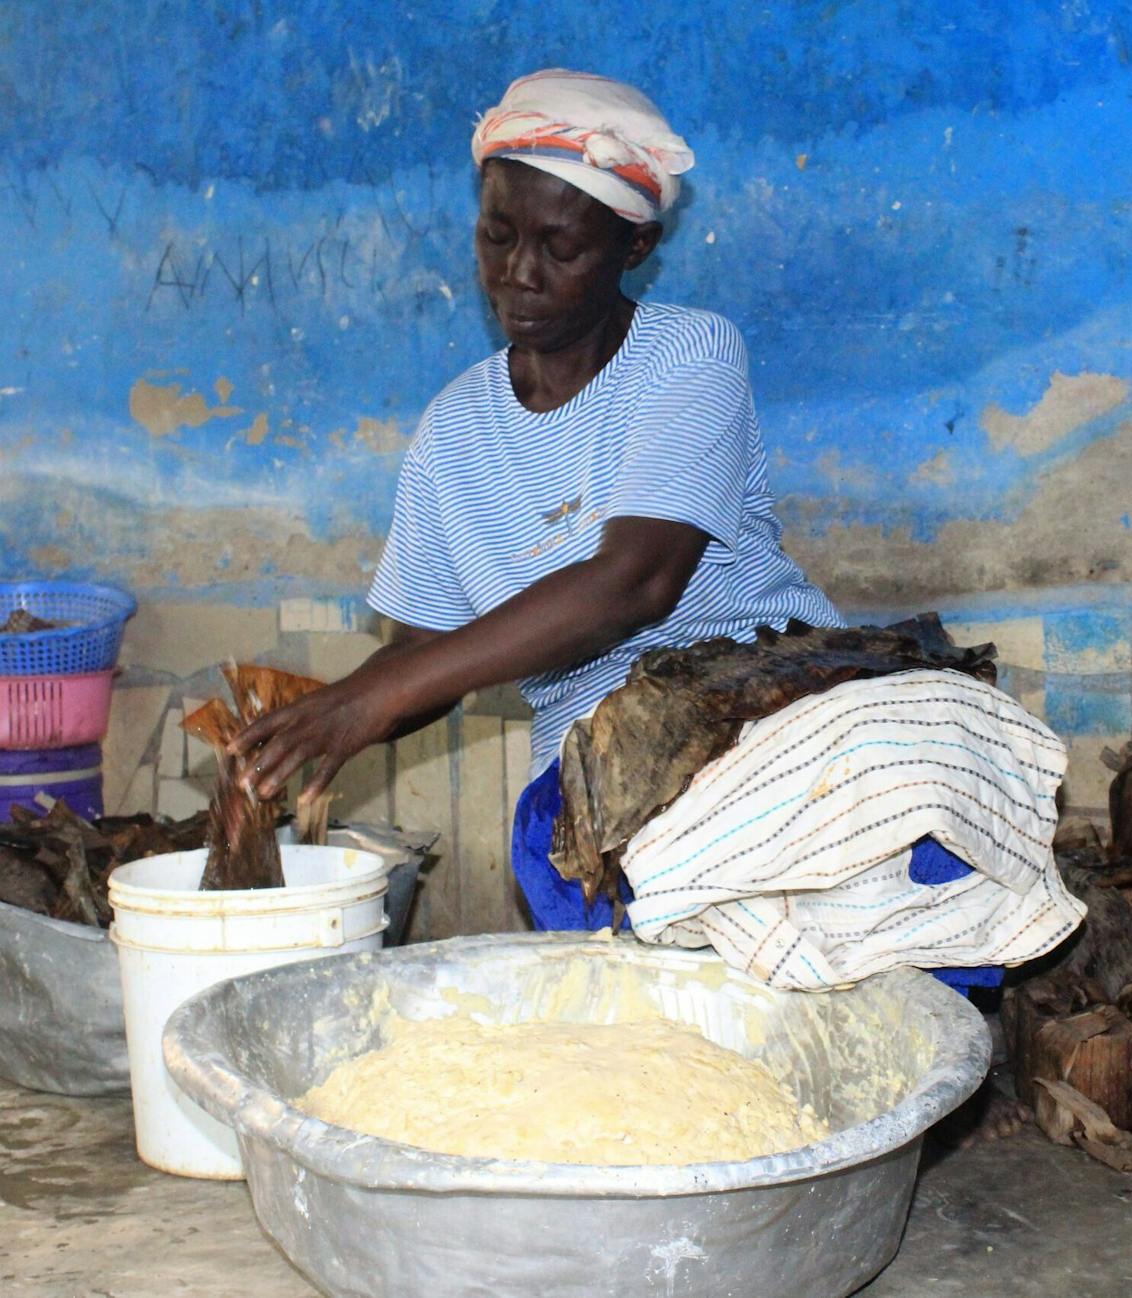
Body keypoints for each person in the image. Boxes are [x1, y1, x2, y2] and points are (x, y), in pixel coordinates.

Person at [235, 68, 844, 927]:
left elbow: (635, 583)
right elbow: (427, 656)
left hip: (767, 704)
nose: (519, 273)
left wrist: (372, 700)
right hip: (595, 768)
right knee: (583, 882)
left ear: (635, 246)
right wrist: (315, 720)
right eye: (497, 236)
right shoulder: (453, 432)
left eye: (560, 248)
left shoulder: (688, 356)